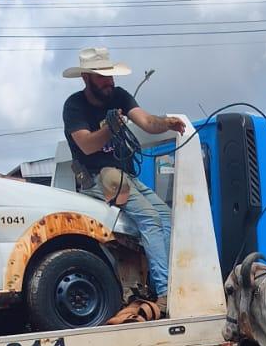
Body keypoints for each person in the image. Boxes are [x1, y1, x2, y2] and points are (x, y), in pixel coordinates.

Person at [62, 45, 185, 309]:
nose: (109, 81)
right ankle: (165, 292)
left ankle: (163, 284)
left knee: (165, 216)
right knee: (151, 219)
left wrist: (166, 123)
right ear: (86, 78)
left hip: (121, 175)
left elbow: (146, 122)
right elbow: (86, 145)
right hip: (97, 177)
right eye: (102, 76)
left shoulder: (118, 95)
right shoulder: (74, 106)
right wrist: (110, 129)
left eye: (110, 75)